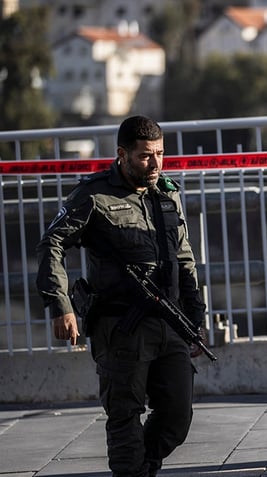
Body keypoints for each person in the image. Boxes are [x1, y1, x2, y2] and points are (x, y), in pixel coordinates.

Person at [36, 115, 207, 477]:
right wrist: (60, 304)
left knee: (178, 415)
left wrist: (196, 318)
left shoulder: (167, 193)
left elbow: (184, 257)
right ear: (122, 154)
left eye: (161, 154)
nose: (156, 163)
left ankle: (142, 468)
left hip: (170, 321)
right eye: (146, 156)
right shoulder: (94, 195)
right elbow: (52, 242)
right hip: (121, 326)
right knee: (125, 415)